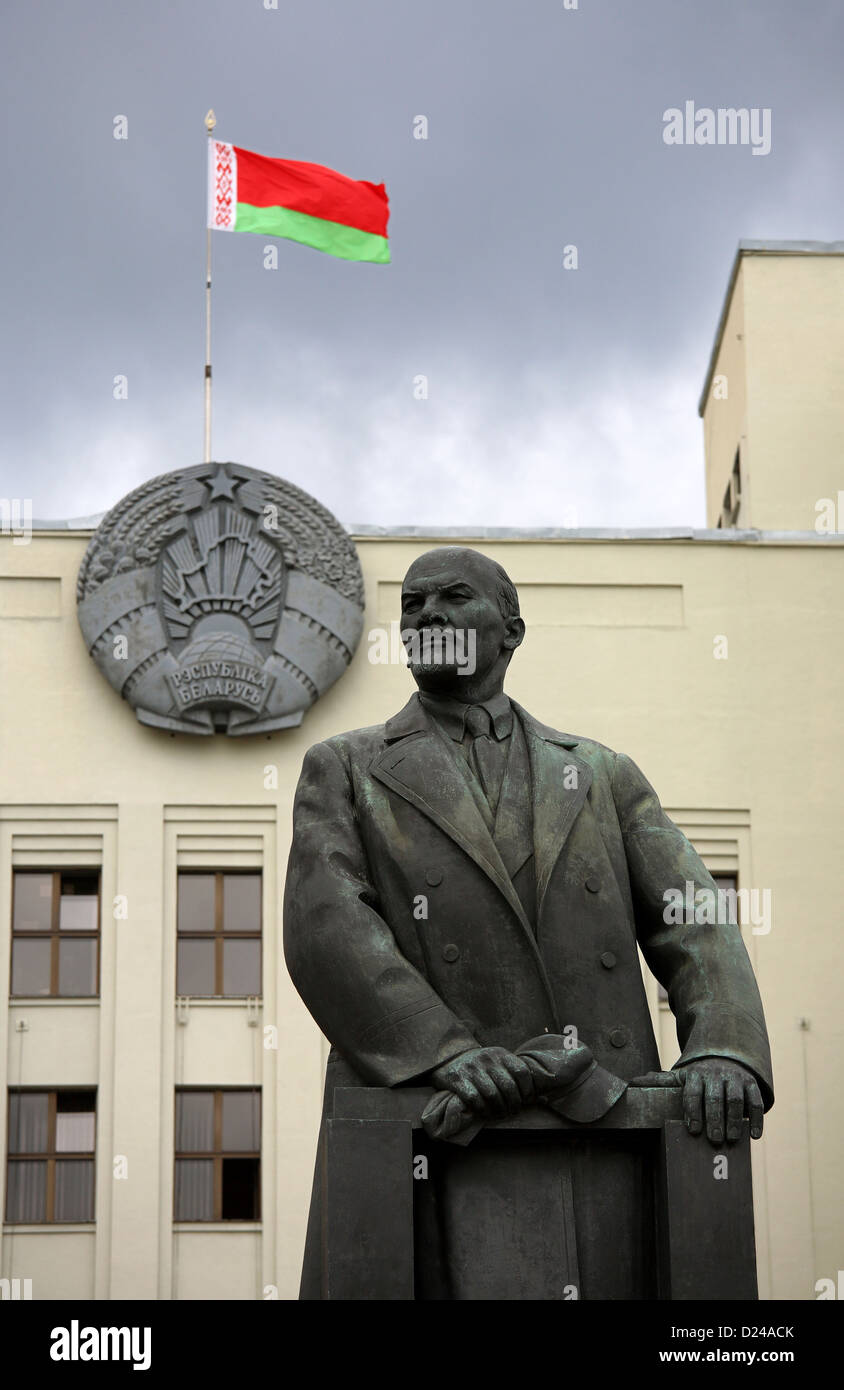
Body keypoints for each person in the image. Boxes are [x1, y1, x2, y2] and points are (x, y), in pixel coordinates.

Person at [283, 547, 773, 1299]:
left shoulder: (602, 773)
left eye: (453, 597)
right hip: (444, 1130)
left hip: (605, 1122)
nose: (428, 615)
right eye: (413, 604)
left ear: (510, 630)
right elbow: (328, 924)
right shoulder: (347, 767)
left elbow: (696, 918)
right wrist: (444, 1052)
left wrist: (725, 1050)